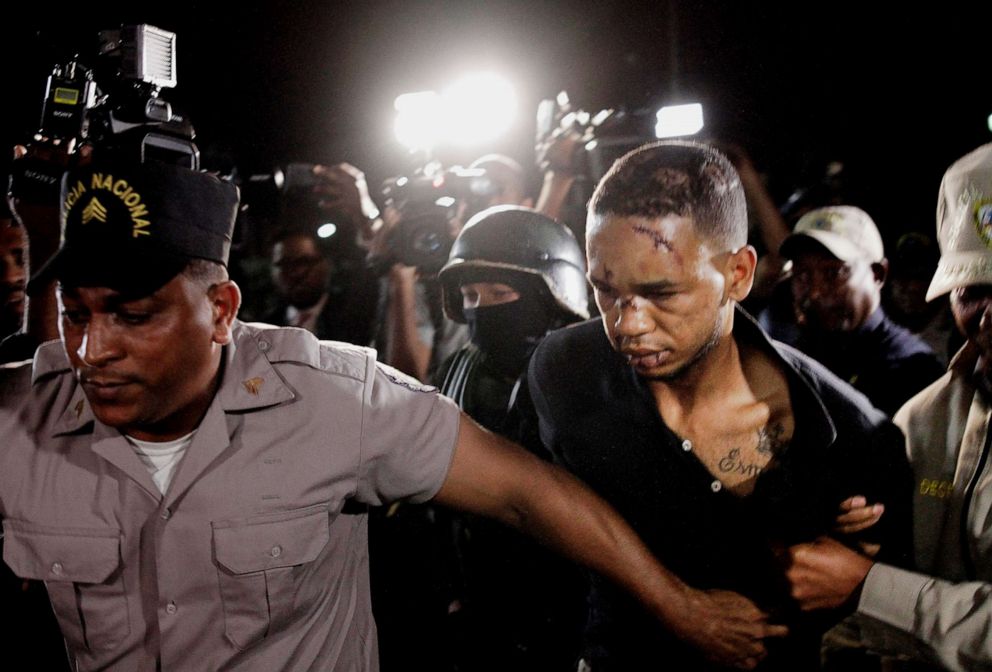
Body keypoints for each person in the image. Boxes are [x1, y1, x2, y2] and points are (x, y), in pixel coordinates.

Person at [2, 153, 793, 672]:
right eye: (76, 312)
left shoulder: (335, 402)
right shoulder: (19, 423)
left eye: (133, 316)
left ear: (221, 308)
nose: (91, 349)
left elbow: (527, 492)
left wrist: (680, 607)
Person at [526, 140, 914, 671]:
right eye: (606, 290)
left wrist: (853, 584)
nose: (628, 324)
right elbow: (540, 507)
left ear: (739, 274)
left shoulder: (854, 440)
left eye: (662, 293)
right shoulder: (565, 372)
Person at [786, 142, 992, 671]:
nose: (990, 317)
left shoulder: (908, 368)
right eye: (974, 291)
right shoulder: (924, 419)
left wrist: (869, 586)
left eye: (834, 271)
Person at [772, 205, 944, 416]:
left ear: (877, 274)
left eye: (834, 273)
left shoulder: (914, 371)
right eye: (803, 276)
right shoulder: (790, 358)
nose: (815, 292)